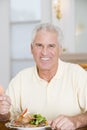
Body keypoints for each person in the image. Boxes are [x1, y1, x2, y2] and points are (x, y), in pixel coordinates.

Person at [0, 23, 87, 130]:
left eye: (51, 46)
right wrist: (3, 112)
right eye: (39, 45)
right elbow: (6, 118)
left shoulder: (77, 74)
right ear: (31, 48)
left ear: (60, 49)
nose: (44, 52)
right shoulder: (20, 79)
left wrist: (76, 121)